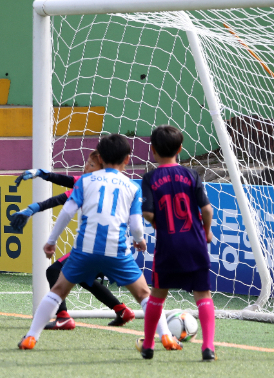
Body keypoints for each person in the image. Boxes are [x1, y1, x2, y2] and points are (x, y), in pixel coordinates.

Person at [17, 134, 181, 351]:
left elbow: (66, 212)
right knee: (144, 295)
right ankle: (167, 337)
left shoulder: (85, 181)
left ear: (100, 158)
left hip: (85, 249)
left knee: (57, 290)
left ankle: (31, 337)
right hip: (117, 250)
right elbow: (136, 224)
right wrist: (139, 240)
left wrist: (51, 241)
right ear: (128, 159)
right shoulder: (132, 187)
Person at [12, 150, 136, 329]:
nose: (86, 167)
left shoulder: (89, 187)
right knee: (86, 279)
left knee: (54, 271)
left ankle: (62, 317)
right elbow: (65, 180)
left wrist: (32, 209)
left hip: (94, 246)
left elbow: (60, 201)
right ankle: (122, 310)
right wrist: (41, 173)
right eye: (87, 162)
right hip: (114, 247)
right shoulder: (104, 183)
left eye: (91, 165)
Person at [139, 125, 216, 361]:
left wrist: (157, 224)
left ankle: (150, 345)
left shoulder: (150, 178)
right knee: (203, 295)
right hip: (194, 243)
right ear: (180, 149)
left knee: (157, 296)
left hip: (168, 246)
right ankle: (208, 347)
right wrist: (207, 231)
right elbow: (206, 209)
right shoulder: (192, 175)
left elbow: (148, 214)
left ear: (152, 150)